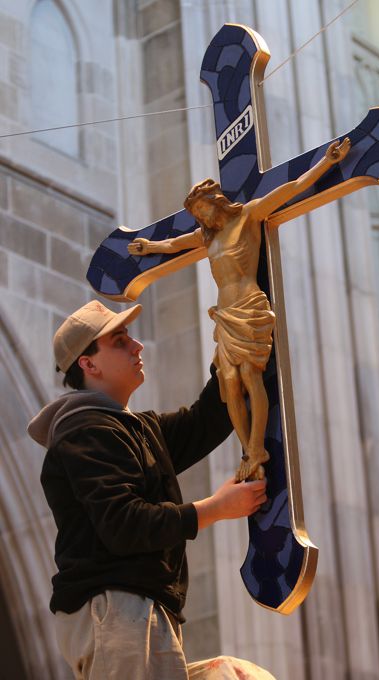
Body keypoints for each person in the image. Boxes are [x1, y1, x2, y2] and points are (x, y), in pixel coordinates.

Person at [28, 299, 275, 680]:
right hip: (116, 610)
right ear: (88, 364)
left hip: (142, 612)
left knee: (237, 676)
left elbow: (204, 421)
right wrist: (216, 508)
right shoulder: (85, 432)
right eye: (120, 340)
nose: (137, 346)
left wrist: (230, 350)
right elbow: (125, 524)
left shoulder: (135, 430)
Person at [128, 137, 351, 482]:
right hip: (226, 313)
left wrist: (327, 163)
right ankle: (248, 450)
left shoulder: (248, 216)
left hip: (249, 306)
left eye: (202, 210)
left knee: (250, 376)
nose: (201, 218)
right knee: (228, 383)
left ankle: (258, 446)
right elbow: (174, 244)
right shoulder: (207, 238)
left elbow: (292, 188)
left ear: (215, 202)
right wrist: (148, 246)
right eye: (196, 215)